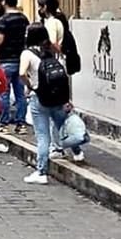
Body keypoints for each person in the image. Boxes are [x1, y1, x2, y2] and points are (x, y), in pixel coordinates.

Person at [20, 22, 82, 185]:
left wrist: (30, 85)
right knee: (63, 126)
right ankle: (77, 151)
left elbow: (21, 73)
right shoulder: (51, 51)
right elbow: (61, 75)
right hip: (57, 97)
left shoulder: (27, 54)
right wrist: (66, 99)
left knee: (43, 136)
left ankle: (41, 171)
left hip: (39, 97)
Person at [0, 0, 30, 134]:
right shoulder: (23, 18)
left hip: (6, 60)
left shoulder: (3, 20)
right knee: (20, 94)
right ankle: (21, 124)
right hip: (21, 60)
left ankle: (3, 123)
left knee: (4, 93)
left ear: (4, 2)